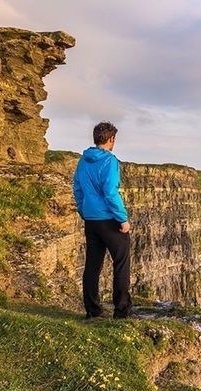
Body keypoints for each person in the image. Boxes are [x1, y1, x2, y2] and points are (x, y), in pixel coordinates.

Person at [72, 122, 132, 319]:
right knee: (121, 263)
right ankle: (121, 311)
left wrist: (83, 209)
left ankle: (93, 310)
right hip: (109, 220)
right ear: (111, 139)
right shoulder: (110, 161)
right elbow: (110, 192)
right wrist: (122, 219)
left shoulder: (83, 161)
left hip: (91, 219)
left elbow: (78, 189)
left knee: (92, 265)